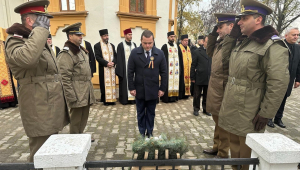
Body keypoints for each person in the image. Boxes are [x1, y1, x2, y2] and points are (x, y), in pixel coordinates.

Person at [219, 0, 289, 169]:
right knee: (235, 152)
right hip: (233, 106)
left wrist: (266, 113)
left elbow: (278, 82)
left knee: (247, 156)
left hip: (250, 111)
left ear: (258, 20)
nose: (239, 22)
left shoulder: (273, 45)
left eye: (244, 18)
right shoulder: (244, 41)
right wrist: (231, 37)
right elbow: (225, 62)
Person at [4, 0, 69, 162]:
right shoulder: (15, 40)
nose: (46, 24)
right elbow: (28, 59)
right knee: (40, 152)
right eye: (42, 19)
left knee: (52, 148)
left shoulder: (35, 39)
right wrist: (40, 30)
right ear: (29, 21)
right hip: (37, 104)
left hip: (49, 102)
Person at [203, 13, 236, 158]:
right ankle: (216, 147)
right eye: (217, 28)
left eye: (220, 27)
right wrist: (212, 34)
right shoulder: (219, 43)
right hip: (215, 86)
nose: (218, 31)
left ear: (231, 26)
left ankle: (223, 152)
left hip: (223, 87)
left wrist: (230, 36)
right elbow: (209, 51)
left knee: (223, 122)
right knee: (217, 120)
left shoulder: (232, 43)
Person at [58, 22, 95, 137]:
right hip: (76, 92)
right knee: (76, 118)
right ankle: (74, 139)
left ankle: (80, 136)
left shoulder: (80, 50)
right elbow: (64, 78)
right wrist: (70, 96)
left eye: (81, 34)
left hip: (85, 91)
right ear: (70, 36)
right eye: (78, 35)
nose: (81, 36)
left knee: (84, 116)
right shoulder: (66, 53)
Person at [127, 30, 167, 138]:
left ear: (153, 41)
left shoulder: (159, 53)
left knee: (150, 113)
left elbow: (164, 72)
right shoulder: (135, 53)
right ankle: (141, 132)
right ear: (141, 41)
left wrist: (162, 88)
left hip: (153, 89)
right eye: (145, 43)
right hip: (139, 89)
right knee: (140, 113)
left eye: (150, 43)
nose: (148, 45)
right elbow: (130, 71)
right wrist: (131, 87)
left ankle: (149, 132)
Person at [267, 27, 300, 128]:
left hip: (289, 80)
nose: (296, 37)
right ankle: (268, 118)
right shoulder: (279, 46)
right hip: (277, 79)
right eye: (294, 35)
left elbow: (299, 65)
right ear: (286, 36)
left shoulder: (298, 48)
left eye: (297, 35)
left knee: (283, 99)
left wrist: (298, 79)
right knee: (273, 98)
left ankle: (278, 118)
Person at [94, 29, 117, 105]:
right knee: (104, 84)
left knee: (112, 84)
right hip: (103, 68)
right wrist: (106, 63)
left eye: (107, 35)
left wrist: (113, 62)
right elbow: (98, 57)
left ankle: (112, 100)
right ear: (101, 36)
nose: (106, 37)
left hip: (112, 69)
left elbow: (116, 56)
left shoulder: (112, 45)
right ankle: (105, 100)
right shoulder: (97, 46)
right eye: (105, 36)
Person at [191, 36, 212, 116]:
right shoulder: (197, 51)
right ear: (203, 42)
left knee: (207, 95)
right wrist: (192, 77)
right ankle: (196, 108)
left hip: (208, 76)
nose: (208, 44)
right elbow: (193, 65)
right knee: (197, 94)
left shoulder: (211, 52)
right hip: (199, 76)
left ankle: (206, 109)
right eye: (207, 42)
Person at [116, 28, 137, 105]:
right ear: (125, 35)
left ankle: (133, 99)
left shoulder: (134, 45)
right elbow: (119, 59)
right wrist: (120, 72)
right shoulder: (121, 45)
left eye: (131, 34)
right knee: (125, 83)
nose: (131, 36)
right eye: (129, 34)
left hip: (134, 69)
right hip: (125, 70)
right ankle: (125, 100)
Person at [160, 31, 180, 103]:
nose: (172, 38)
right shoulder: (165, 46)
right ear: (168, 37)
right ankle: (166, 98)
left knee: (175, 81)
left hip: (176, 69)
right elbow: (162, 59)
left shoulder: (176, 46)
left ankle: (174, 97)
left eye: (174, 37)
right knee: (167, 82)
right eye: (171, 37)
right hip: (168, 69)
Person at [0, 40, 18, 109]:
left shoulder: (4, 43)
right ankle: (2, 104)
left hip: (6, 68)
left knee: (9, 84)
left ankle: (12, 102)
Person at [178, 34, 192, 99]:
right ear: (181, 41)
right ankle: (181, 95)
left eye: (187, 40)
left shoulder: (189, 48)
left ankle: (187, 94)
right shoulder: (179, 48)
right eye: (185, 40)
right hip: (182, 69)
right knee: (181, 82)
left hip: (188, 69)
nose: (186, 42)